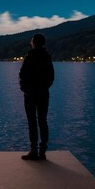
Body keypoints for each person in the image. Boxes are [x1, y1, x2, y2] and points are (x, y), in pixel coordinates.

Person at [19, 33, 55, 161]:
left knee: (32, 122)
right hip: (43, 94)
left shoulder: (29, 56)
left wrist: (24, 88)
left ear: (34, 43)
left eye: (31, 41)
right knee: (42, 122)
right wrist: (44, 88)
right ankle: (42, 152)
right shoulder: (47, 57)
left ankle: (34, 151)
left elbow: (22, 74)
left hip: (30, 95)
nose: (30, 43)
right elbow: (51, 77)